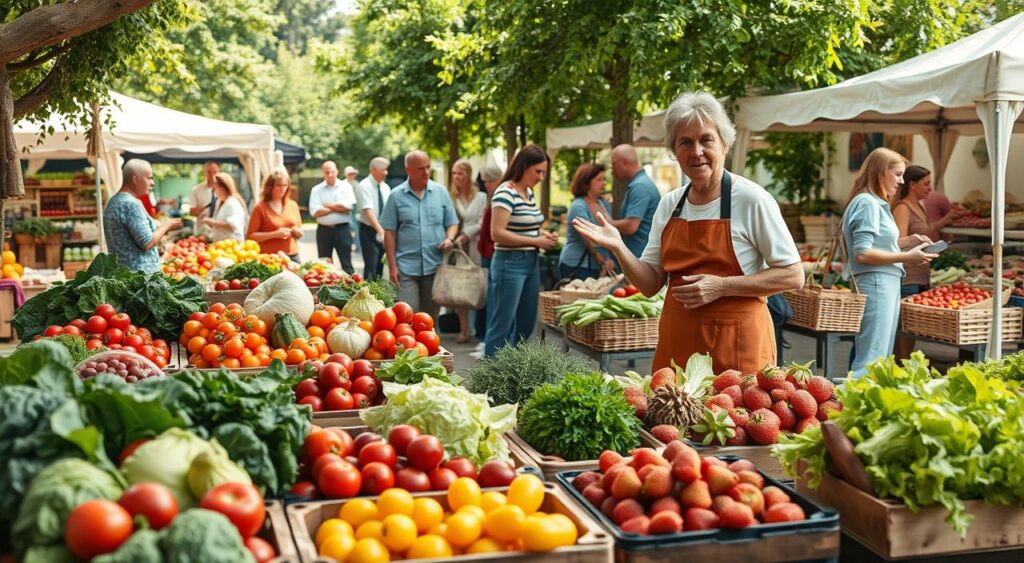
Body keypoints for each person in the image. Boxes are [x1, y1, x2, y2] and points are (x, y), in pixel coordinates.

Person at [573, 92, 804, 374]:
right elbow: (649, 284)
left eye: (706, 139)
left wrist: (721, 286)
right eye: (685, 142)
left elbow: (793, 275)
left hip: (737, 346)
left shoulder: (752, 199)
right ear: (674, 151)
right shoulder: (670, 204)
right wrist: (619, 247)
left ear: (724, 143)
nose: (696, 152)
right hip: (678, 344)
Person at [842, 148, 937, 378]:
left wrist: (906, 242)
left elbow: (879, 245)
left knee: (879, 357)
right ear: (880, 172)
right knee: (871, 358)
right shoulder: (867, 203)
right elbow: (862, 253)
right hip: (876, 283)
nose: (901, 181)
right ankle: (851, 406)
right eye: (897, 174)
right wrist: (908, 257)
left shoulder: (873, 202)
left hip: (883, 282)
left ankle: (864, 405)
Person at [484, 144, 559, 357]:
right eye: (538, 171)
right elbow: (497, 233)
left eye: (544, 172)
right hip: (509, 263)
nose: (541, 177)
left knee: (526, 324)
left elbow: (528, 226)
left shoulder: (528, 192)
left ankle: (513, 373)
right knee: (502, 325)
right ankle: (490, 377)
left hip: (530, 263)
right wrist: (536, 242)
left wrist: (543, 235)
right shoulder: (505, 192)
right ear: (524, 166)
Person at [380, 150, 459, 319]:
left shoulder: (440, 192)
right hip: (406, 269)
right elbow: (389, 232)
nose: (426, 172)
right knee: (408, 318)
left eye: (428, 167)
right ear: (409, 170)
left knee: (430, 321)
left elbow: (452, 222)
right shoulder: (396, 196)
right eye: (421, 168)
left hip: (435, 267)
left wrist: (449, 238)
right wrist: (392, 266)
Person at [891, 165, 959, 359]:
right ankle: (900, 366)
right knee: (905, 326)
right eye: (926, 183)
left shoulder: (919, 206)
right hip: (908, 275)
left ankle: (904, 366)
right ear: (912, 184)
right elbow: (898, 242)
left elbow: (926, 231)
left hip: (921, 273)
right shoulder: (903, 208)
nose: (930, 188)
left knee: (912, 328)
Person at [104, 159, 183, 273]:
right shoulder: (130, 204)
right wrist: (167, 225)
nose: (152, 182)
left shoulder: (113, 201)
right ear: (135, 179)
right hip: (139, 280)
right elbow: (147, 242)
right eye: (149, 178)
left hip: (122, 275)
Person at [450, 159, 488, 343]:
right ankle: (464, 329)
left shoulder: (481, 197)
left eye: (460, 173)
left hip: (476, 245)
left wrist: (467, 233)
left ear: (468, 175)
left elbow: (484, 220)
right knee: (460, 287)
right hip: (458, 247)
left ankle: (480, 328)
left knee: (478, 285)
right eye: (454, 173)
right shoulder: (451, 197)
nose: (457, 177)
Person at [558, 163, 616, 280]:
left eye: (604, 179)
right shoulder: (578, 206)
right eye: (599, 179)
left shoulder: (603, 203)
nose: (604, 183)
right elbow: (589, 239)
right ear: (586, 184)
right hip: (577, 265)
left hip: (596, 265)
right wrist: (604, 261)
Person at [470, 163, 505, 359]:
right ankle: (487, 342)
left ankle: (490, 345)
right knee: (489, 298)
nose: (485, 185)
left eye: (487, 182)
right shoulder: (493, 196)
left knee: (493, 301)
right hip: (486, 252)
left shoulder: (499, 196)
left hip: (492, 253)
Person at [608, 144, 661, 257]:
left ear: (624, 162)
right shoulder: (640, 183)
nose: (612, 170)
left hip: (640, 257)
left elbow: (630, 226)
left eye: (613, 164)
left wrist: (607, 222)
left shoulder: (640, 186)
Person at [309, 161, 357, 273]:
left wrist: (327, 205)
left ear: (337, 171)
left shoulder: (346, 187)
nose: (330, 174)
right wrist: (338, 207)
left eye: (332, 171)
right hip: (323, 231)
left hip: (343, 230)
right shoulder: (316, 189)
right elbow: (315, 212)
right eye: (327, 172)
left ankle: (352, 290)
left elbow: (349, 207)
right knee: (324, 266)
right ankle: (327, 290)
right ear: (323, 173)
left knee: (347, 264)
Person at [247, 169, 303, 260]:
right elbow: (250, 236)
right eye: (278, 185)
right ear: (270, 187)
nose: (282, 188)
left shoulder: (292, 205)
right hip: (270, 257)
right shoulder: (260, 208)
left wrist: (298, 232)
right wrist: (274, 234)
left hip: (292, 255)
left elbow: (299, 230)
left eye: (285, 185)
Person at [355, 157, 392, 280]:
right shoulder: (364, 186)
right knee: (371, 267)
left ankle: (378, 297)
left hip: (384, 230)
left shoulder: (385, 187)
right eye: (384, 170)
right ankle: (367, 296)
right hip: (369, 230)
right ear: (374, 170)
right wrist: (380, 230)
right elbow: (367, 211)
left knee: (380, 266)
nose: (386, 173)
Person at [198, 173, 247, 242]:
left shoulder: (233, 203)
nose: (214, 191)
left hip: (232, 247)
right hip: (222, 246)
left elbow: (232, 225)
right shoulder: (221, 202)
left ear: (223, 187)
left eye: (215, 188)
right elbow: (220, 224)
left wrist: (210, 221)